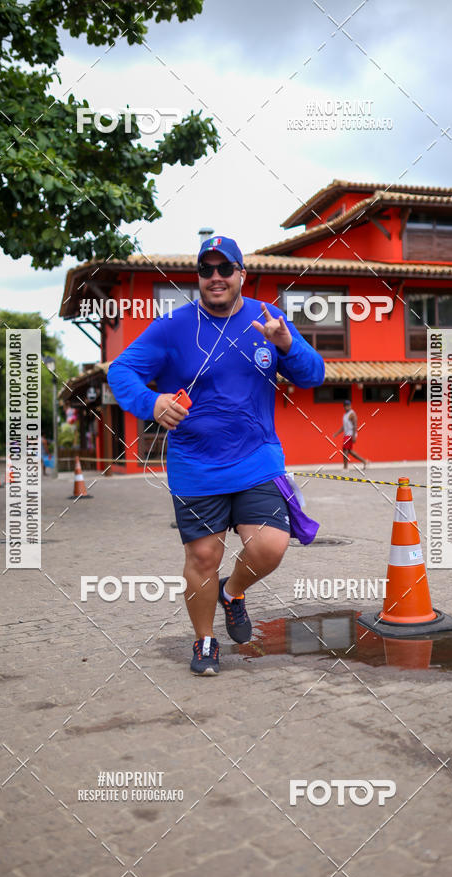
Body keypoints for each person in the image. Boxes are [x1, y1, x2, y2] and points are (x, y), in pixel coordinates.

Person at [108, 236, 325, 675]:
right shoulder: (173, 327)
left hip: (257, 458)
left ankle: (233, 591)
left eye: (225, 269)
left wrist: (287, 345)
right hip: (195, 465)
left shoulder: (269, 319)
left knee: (270, 545)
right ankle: (205, 642)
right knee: (203, 557)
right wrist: (152, 404)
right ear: (199, 278)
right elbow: (121, 369)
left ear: (242, 274)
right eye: (206, 270)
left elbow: (312, 374)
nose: (216, 277)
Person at [333, 398, 367, 469]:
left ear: (350, 405)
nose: (347, 406)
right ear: (344, 406)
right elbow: (344, 426)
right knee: (350, 451)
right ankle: (364, 461)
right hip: (346, 434)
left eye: (348, 405)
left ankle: (345, 467)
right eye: (345, 405)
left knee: (344, 449)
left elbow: (355, 425)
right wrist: (337, 433)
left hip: (350, 434)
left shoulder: (352, 414)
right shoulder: (345, 414)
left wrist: (354, 436)